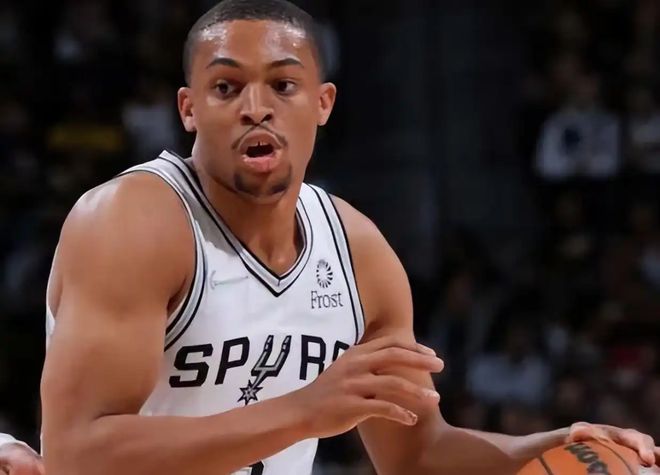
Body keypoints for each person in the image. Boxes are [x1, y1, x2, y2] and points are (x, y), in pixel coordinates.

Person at [40, 1, 660, 474]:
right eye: (226, 88)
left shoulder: (358, 252)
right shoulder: (133, 222)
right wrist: (303, 411)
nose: (256, 107)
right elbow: (76, 455)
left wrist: (551, 446)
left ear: (323, 103)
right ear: (189, 109)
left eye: (283, 85)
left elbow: (417, 455)